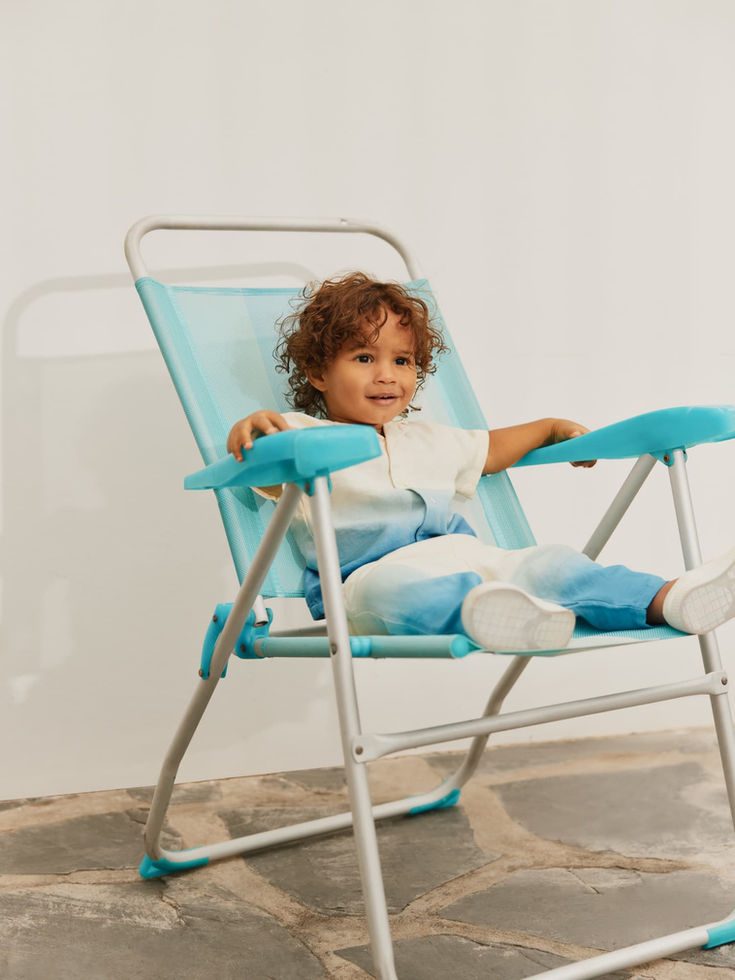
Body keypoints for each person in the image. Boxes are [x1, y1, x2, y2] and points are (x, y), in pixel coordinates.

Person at [226, 272, 735, 651]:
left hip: (470, 556)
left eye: (401, 361)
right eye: (364, 358)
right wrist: (254, 429)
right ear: (317, 371)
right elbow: (261, 454)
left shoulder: (427, 439)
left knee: (550, 561)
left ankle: (667, 599)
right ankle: (496, 616)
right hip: (364, 581)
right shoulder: (304, 435)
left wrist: (549, 428)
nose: (387, 375)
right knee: (397, 590)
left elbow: (490, 450)